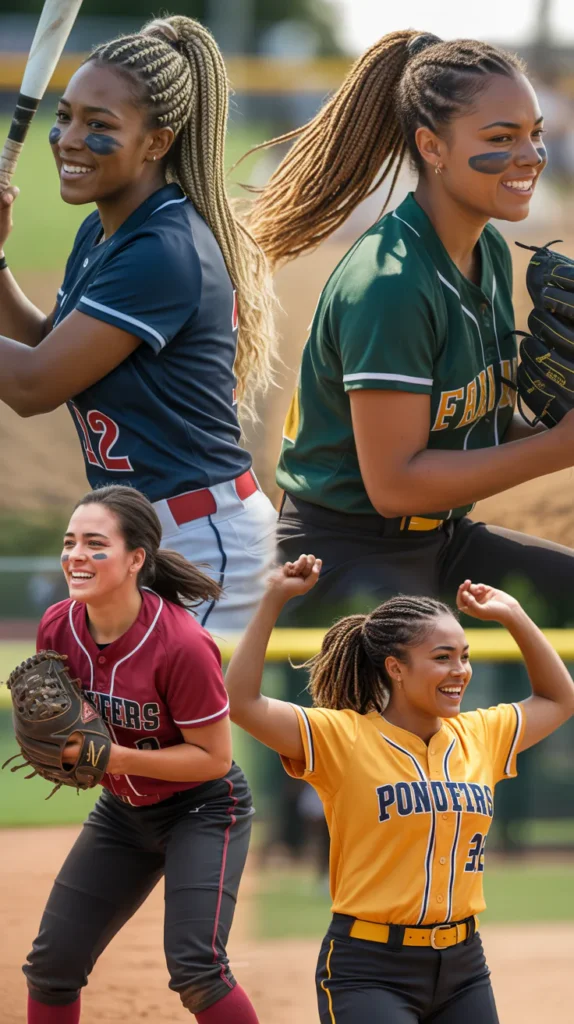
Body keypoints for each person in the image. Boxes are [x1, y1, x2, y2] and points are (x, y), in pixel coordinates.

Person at [246, 29, 574, 625]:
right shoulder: (390, 282)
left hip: (440, 539)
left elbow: (479, 424)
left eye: (535, 134)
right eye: (502, 138)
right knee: (436, 667)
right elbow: (395, 485)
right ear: (432, 146)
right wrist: (558, 447)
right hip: (341, 557)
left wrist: (554, 428)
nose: (530, 156)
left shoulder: (489, 251)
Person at [0, 15, 278, 633]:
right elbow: (51, 351)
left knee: (179, 731)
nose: (69, 138)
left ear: (157, 142)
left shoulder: (163, 248)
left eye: (99, 126)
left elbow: (33, 385)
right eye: (66, 116)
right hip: (147, 531)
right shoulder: (107, 229)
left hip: (203, 544)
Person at [226, 553, 574, 1022]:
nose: (461, 671)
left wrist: (513, 614)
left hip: (465, 964)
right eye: (442, 657)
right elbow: (242, 702)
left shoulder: (482, 734)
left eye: (465, 656)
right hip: (369, 967)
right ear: (396, 667)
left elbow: (559, 698)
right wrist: (273, 598)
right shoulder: (341, 736)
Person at [23, 484, 259, 1024]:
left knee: (198, 968)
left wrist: (113, 759)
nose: (76, 555)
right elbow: (64, 727)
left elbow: (213, 759)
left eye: (95, 543)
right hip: (123, 814)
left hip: (202, 808)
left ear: (135, 559)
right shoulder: (57, 625)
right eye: (70, 542)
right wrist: (61, 749)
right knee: (53, 963)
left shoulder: (181, 644)